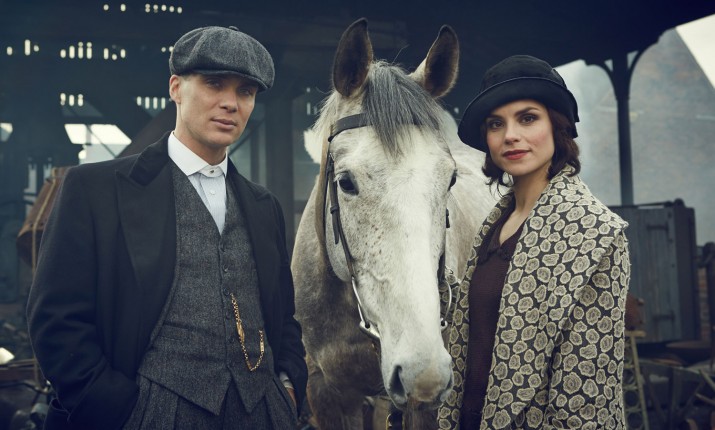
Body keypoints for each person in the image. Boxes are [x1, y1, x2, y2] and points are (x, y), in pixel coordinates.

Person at [26, 26, 307, 430]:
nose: (230, 103)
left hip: (262, 413)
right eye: (214, 84)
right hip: (151, 413)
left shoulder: (265, 206)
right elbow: (56, 319)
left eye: (245, 92)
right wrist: (116, 409)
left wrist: (288, 387)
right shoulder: (94, 189)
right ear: (176, 88)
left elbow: (284, 318)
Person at [437, 55, 630, 429]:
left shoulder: (594, 232)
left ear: (557, 126)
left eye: (527, 118)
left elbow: (586, 403)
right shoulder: (495, 224)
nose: (510, 135)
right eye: (496, 124)